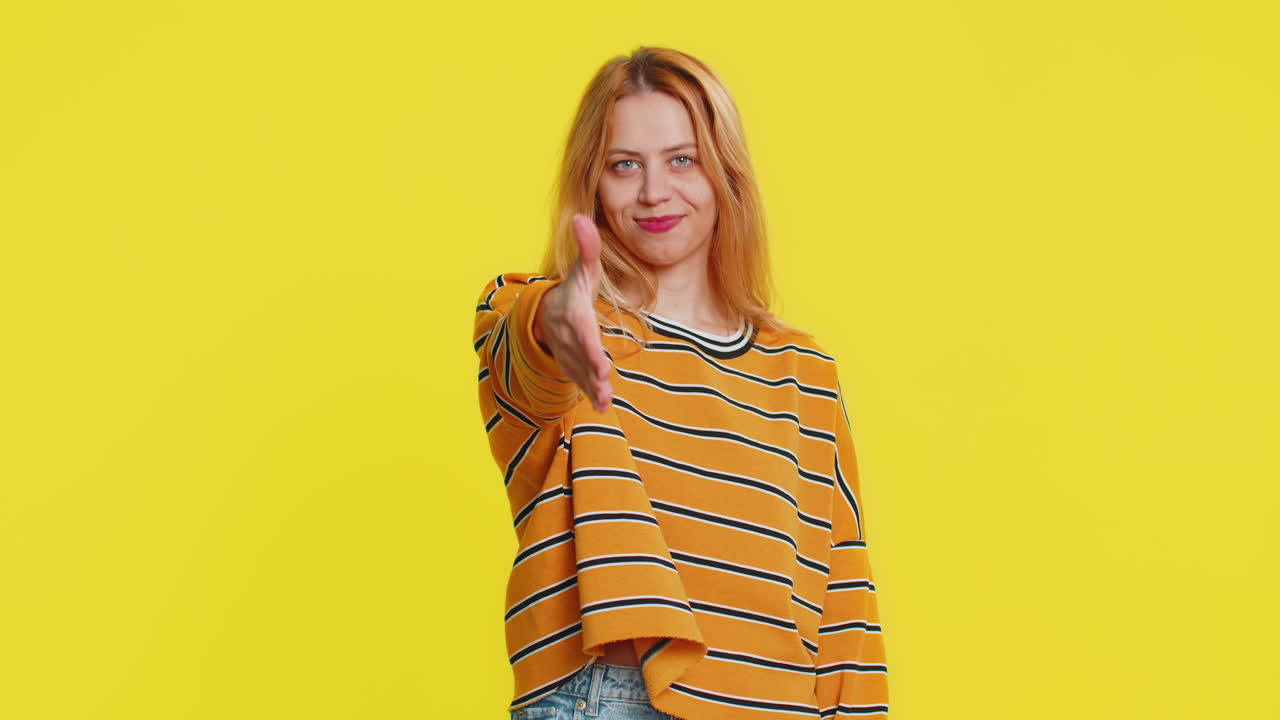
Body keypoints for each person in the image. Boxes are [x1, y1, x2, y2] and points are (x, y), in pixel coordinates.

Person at [473, 47, 889, 720]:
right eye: (623, 165)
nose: (654, 192)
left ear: (726, 172)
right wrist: (557, 320)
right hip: (614, 695)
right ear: (593, 185)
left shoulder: (805, 374)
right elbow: (530, 359)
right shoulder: (564, 326)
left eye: (682, 159)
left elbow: (844, 596)